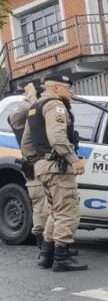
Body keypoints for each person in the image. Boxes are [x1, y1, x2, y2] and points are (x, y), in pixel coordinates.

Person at [26, 74, 87, 272]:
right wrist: (73, 159)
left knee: (54, 211)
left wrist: (38, 162)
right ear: (57, 88)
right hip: (57, 167)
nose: (71, 93)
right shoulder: (55, 105)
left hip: (43, 166)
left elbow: (26, 144)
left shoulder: (34, 108)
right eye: (68, 89)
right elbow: (58, 137)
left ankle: (47, 254)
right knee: (67, 211)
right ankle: (61, 257)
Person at [6, 81, 54, 268]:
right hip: (34, 168)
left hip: (49, 167)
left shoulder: (45, 113)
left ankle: (52, 246)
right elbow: (15, 116)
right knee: (42, 209)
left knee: (53, 209)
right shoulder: (25, 115)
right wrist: (31, 97)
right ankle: (43, 248)